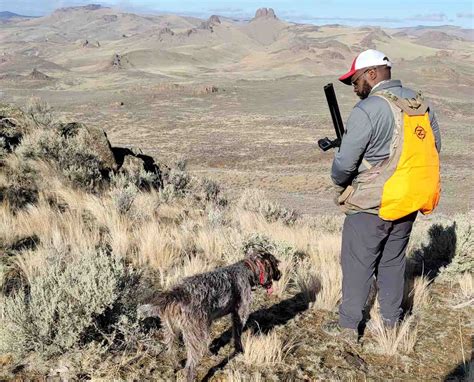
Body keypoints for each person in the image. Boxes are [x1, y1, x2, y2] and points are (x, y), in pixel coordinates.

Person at [322, 49, 441, 341]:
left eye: (356, 79)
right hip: (408, 200)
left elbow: (344, 165)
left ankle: (348, 328)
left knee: (356, 264)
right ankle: (390, 323)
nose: (354, 86)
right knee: (393, 262)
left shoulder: (370, 108)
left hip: (372, 205)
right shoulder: (419, 103)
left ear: (372, 74)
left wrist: (341, 180)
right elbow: (435, 146)